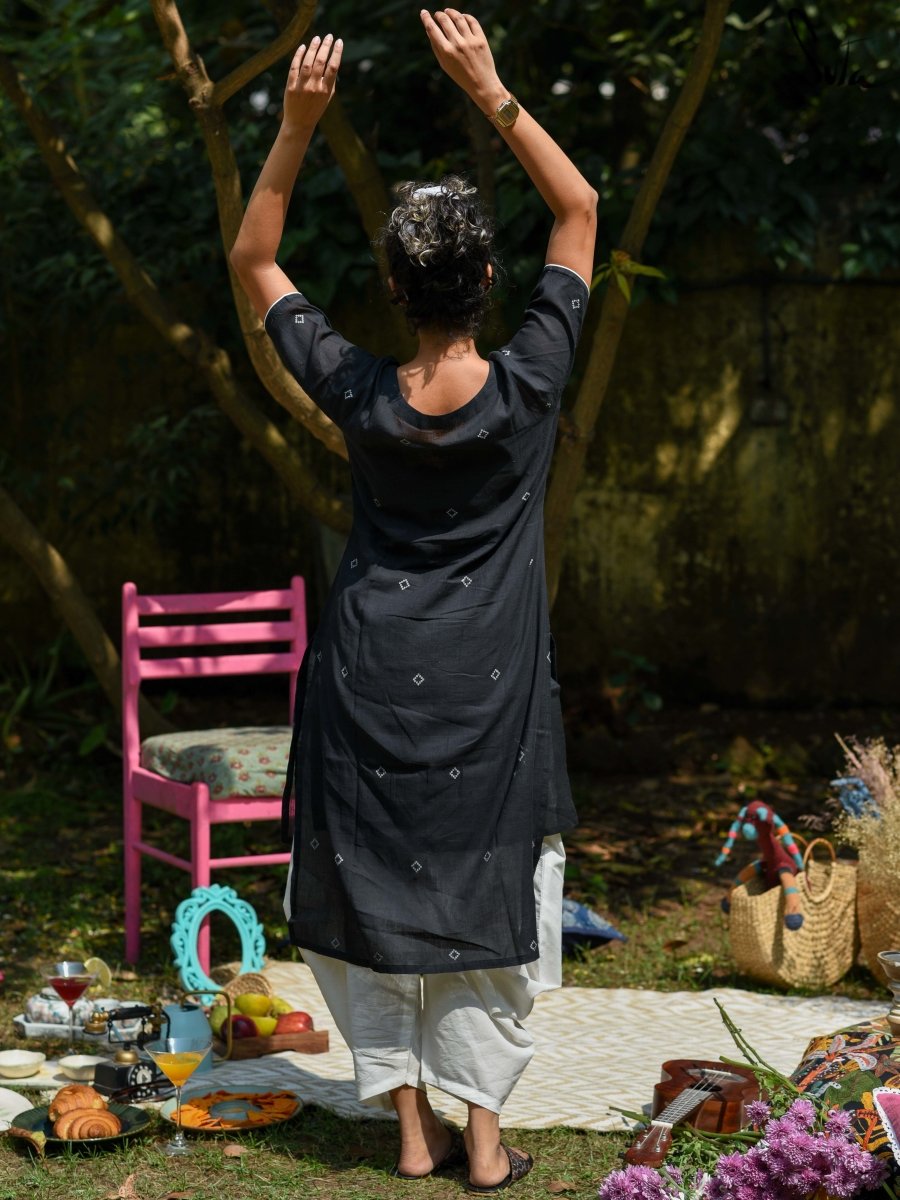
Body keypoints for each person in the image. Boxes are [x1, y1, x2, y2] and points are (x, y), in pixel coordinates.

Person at [230, 8, 597, 1192]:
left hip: (368, 676)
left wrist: (296, 126)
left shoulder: (359, 390)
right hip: (492, 689)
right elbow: (580, 208)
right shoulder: (531, 382)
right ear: (487, 280)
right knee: (493, 893)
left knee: (371, 889)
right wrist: (489, 86)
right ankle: (482, 1146)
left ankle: (408, 1131)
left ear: (393, 287)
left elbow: (254, 260)